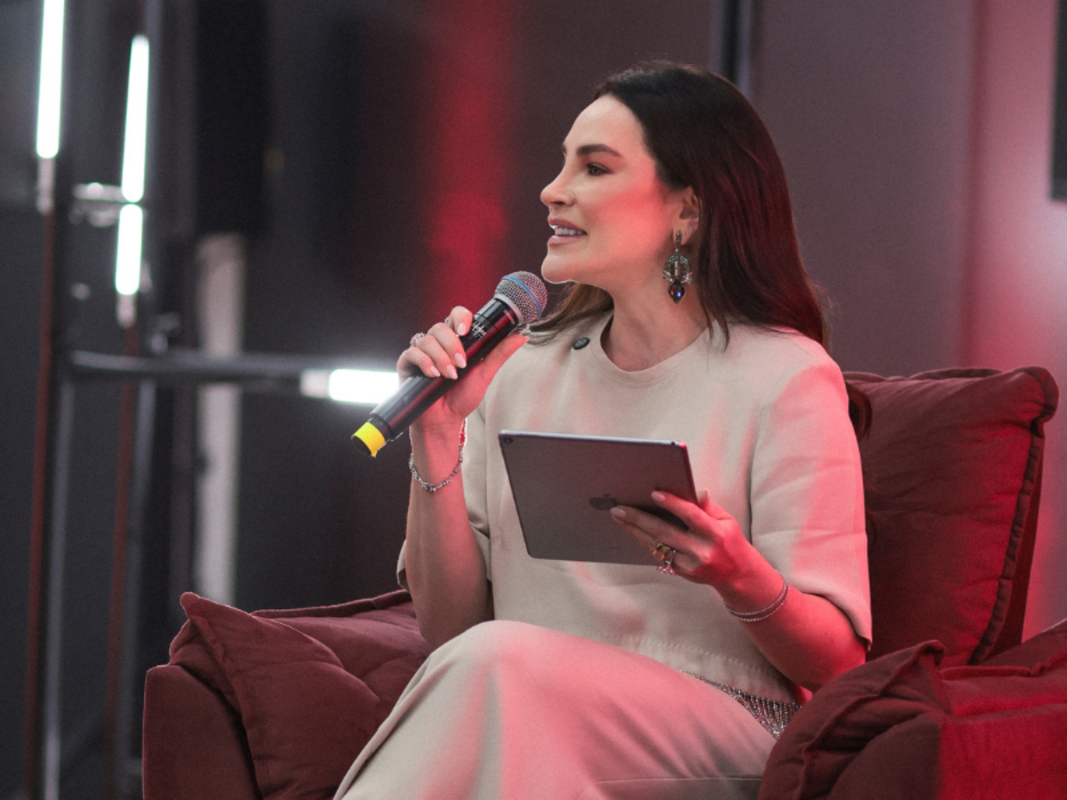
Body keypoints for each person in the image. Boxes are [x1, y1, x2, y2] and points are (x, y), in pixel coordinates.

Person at [334, 62, 871, 800]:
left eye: (593, 168)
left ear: (687, 211)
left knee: (501, 666)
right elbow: (452, 632)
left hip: (720, 724)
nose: (552, 191)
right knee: (498, 671)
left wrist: (735, 572)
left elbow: (837, 664)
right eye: (562, 164)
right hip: (525, 701)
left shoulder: (785, 376)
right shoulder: (517, 369)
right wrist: (436, 436)